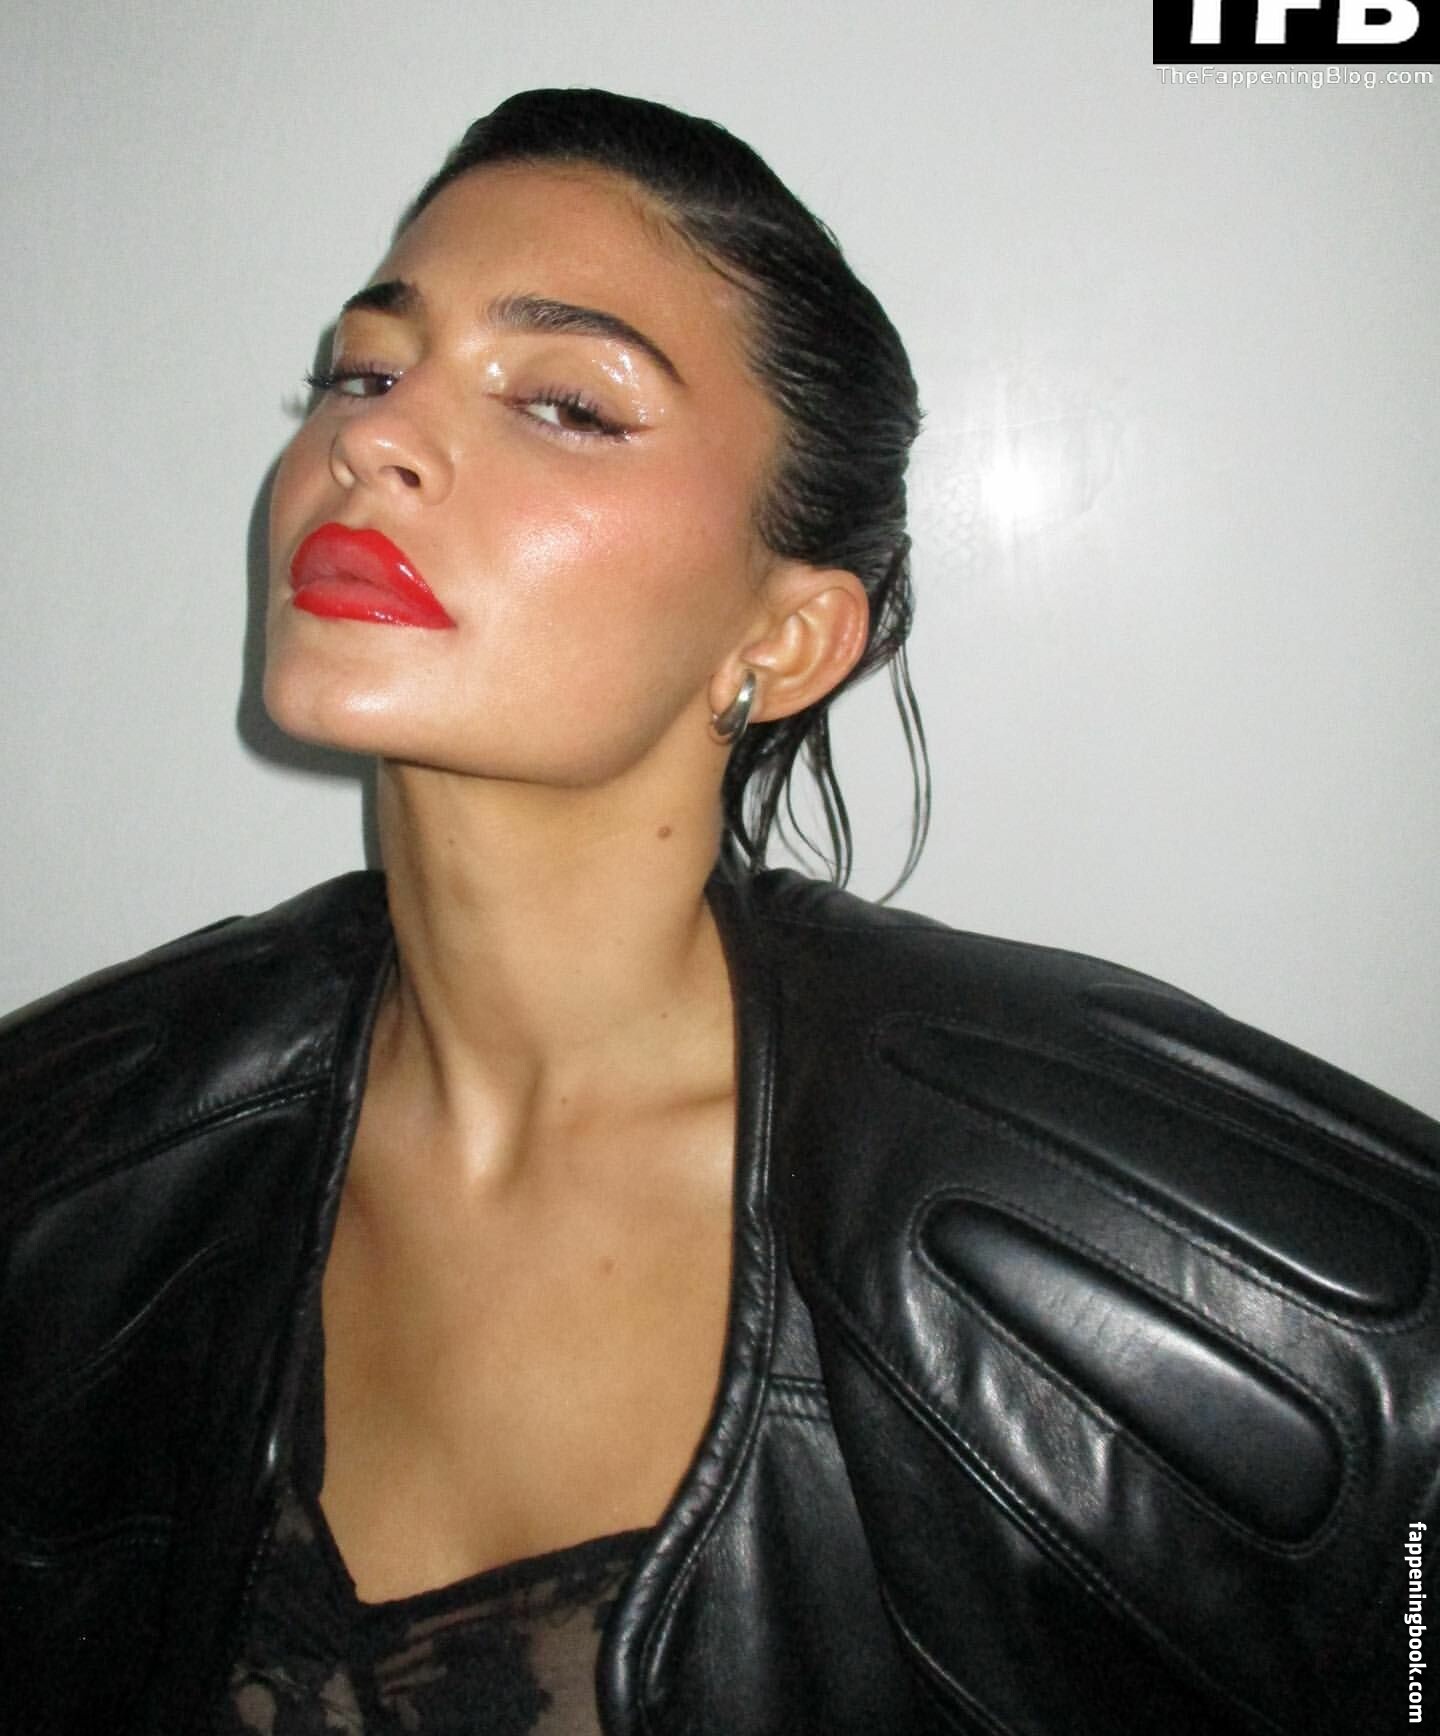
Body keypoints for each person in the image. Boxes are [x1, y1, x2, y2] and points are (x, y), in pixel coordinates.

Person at [1, 88, 1435, 1736]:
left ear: (787, 638)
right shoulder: (79, 1155)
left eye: (564, 403)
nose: (368, 443)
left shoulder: (1103, 1224)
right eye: (365, 369)